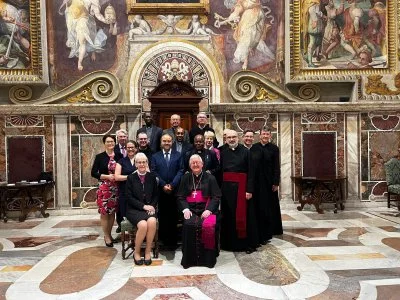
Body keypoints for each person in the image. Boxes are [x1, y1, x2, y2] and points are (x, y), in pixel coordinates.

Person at [177, 154, 221, 269]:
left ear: (202, 164)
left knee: (207, 225)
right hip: (191, 210)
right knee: (188, 224)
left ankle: (207, 260)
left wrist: (209, 210)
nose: (195, 164)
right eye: (193, 163)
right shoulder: (185, 178)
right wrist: (185, 209)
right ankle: (189, 260)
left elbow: (216, 197)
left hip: (205, 210)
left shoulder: (210, 178)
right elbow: (180, 197)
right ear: (190, 165)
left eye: (197, 162)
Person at [219, 130, 258, 253]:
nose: (231, 139)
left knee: (244, 216)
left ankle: (244, 244)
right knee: (228, 216)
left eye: (234, 137)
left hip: (242, 188)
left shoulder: (246, 152)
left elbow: (251, 173)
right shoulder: (221, 151)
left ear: (238, 138)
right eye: (229, 137)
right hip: (226, 190)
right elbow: (219, 172)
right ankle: (228, 244)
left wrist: (249, 190)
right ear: (225, 139)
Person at [151, 133, 184, 249]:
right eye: (164, 141)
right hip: (161, 191)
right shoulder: (155, 156)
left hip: (175, 191)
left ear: (172, 142)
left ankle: (173, 241)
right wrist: (164, 184)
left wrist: (172, 184)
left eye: (169, 141)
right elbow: (153, 171)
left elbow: (181, 170)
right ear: (161, 143)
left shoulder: (178, 155)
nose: (166, 143)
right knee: (163, 215)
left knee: (174, 215)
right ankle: (163, 240)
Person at [251, 127, 283, 245]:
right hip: (257, 182)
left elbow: (276, 166)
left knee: (270, 206)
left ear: (270, 136)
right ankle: (260, 228)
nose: (265, 136)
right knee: (260, 205)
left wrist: (276, 182)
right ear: (259, 135)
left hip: (269, 182)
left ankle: (272, 229)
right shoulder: (254, 148)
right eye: (263, 134)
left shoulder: (274, 148)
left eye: (267, 134)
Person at [125, 153, 158, 266]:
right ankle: (137, 252)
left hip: (149, 208)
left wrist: (152, 206)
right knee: (143, 225)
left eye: (144, 162)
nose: (142, 164)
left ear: (147, 163)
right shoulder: (131, 178)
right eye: (139, 162)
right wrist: (144, 207)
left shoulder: (152, 176)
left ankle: (148, 251)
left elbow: (155, 195)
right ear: (135, 164)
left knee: (152, 221)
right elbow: (129, 198)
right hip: (134, 209)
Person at [91, 134, 123, 247]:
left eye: (112, 141)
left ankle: (110, 234)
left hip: (117, 188)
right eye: (108, 141)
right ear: (104, 143)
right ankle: (106, 236)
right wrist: (106, 176)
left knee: (112, 212)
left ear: (115, 143)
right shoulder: (100, 157)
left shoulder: (119, 156)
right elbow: (93, 173)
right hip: (105, 188)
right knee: (105, 213)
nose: (110, 143)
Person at [114, 140, 138, 234]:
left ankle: (137, 236)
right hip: (124, 192)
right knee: (125, 214)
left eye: (132, 147)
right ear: (125, 149)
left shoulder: (140, 159)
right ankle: (129, 236)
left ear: (136, 148)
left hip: (138, 193)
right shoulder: (121, 161)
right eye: (128, 147)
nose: (130, 149)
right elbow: (117, 177)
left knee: (137, 214)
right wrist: (131, 177)